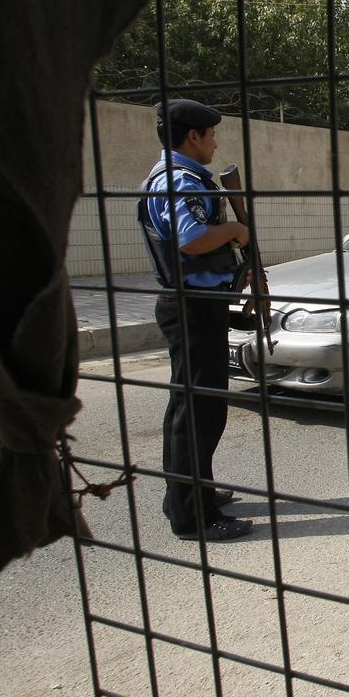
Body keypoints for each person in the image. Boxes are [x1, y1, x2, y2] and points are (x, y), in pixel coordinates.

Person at [137, 99, 253, 542]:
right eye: (211, 135)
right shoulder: (180, 182)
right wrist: (237, 232)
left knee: (195, 408)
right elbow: (191, 239)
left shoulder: (174, 178)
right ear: (193, 137)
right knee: (198, 412)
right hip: (191, 306)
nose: (215, 142)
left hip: (196, 303)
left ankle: (187, 493)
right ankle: (193, 517)